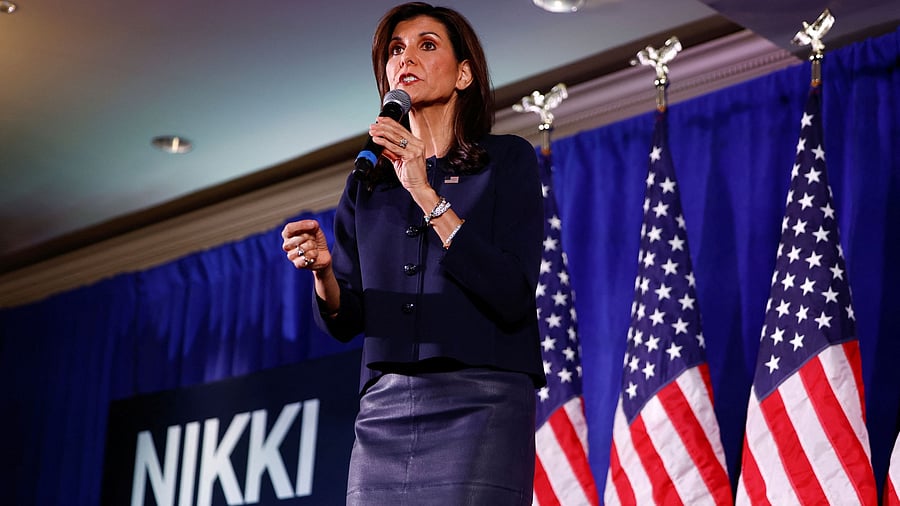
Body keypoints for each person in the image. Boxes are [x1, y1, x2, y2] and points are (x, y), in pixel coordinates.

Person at [281, 3, 545, 504]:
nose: (407, 58)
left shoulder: (507, 161)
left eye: (427, 45)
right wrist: (323, 273)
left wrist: (424, 191)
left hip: (481, 397)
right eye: (396, 49)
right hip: (385, 408)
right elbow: (346, 316)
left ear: (464, 73)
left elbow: (511, 292)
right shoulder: (368, 184)